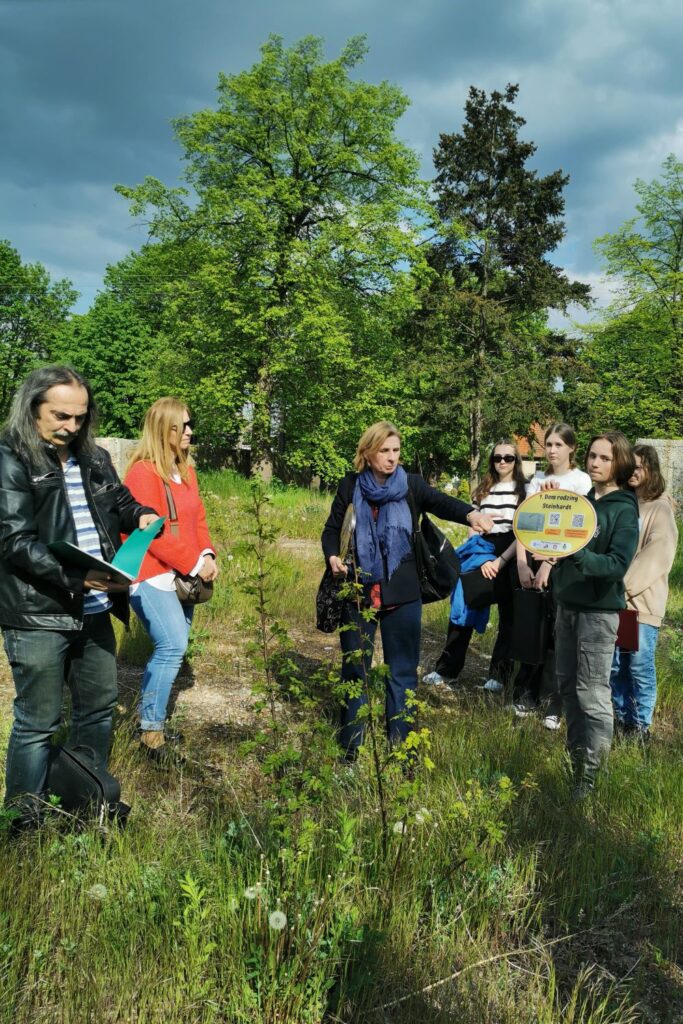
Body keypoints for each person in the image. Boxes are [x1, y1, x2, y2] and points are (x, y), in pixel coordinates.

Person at [0, 366, 158, 829]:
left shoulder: (93, 456)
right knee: (38, 722)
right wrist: (76, 574)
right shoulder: (10, 457)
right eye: (61, 416)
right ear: (32, 409)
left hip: (95, 608)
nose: (72, 426)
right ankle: (22, 822)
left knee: (97, 708)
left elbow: (121, 500)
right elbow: (13, 540)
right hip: (38, 612)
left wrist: (142, 514)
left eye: (80, 417)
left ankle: (85, 804)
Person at [321, 421, 495, 760]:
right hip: (358, 592)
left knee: (402, 672)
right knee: (356, 670)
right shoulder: (350, 486)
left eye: (396, 451)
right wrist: (331, 556)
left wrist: (472, 515)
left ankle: (400, 749)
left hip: (403, 595)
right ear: (367, 453)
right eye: (384, 451)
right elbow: (332, 529)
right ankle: (351, 751)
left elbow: (443, 502)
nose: (391, 458)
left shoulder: (411, 485)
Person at [123, 398, 218, 759]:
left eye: (191, 424)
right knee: (172, 646)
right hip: (150, 573)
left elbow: (198, 521)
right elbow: (151, 534)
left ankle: (153, 722)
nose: (191, 431)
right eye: (184, 426)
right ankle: (150, 733)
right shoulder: (143, 474)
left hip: (184, 575)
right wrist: (194, 562)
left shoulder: (187, 471)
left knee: (174, 648)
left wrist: (207, 553)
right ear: (165, 429)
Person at [553, 431, 639, 798]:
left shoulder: (623, 509)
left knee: (592, 694)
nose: (594, 462)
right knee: (568, 689)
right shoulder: (582, 503)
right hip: (567, 606)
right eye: (591, 456)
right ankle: (577, 767)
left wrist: (576, 555)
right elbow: (560, 539)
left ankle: (591, 778)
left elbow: (617, 564)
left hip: (599, 613)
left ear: (619, 462)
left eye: (604, 458)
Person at [423, 440, 527, 692]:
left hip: (511, 550)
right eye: (497, 457)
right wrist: (475, 551)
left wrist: (500, 562)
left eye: (508, 458)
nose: (502, 462)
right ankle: (447, 670)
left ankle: (499, 675)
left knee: (509, 616)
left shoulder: (525, 491)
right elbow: (473, 521)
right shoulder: (483, 488)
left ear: (517, 461)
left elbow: (523, 530)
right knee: (463, 607)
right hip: (482, 548)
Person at [513, 423, 591, 728]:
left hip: (565, 571)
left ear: (572, 448)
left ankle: (554, 704)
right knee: (533, 632)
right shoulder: (538, 480)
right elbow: (525, 525)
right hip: (532, 567)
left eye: (559, 444)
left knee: (560, 639)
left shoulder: (581, 482)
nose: (553, 450)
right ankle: (526, 694)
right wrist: (522, 564)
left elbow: (579, 533)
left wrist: (550, 563)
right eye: (549, 444)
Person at [610, 444, 678, 738]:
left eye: (639, 466)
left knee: (638, 666)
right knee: (616, 667)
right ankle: (623, 720)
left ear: (650, 469)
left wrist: (621, 586)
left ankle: (641, 727)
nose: (633, 472)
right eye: (629, 466)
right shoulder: (623, 503)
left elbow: (657, 555)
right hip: (615, 602)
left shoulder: (660, 508)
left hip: (641, 604)